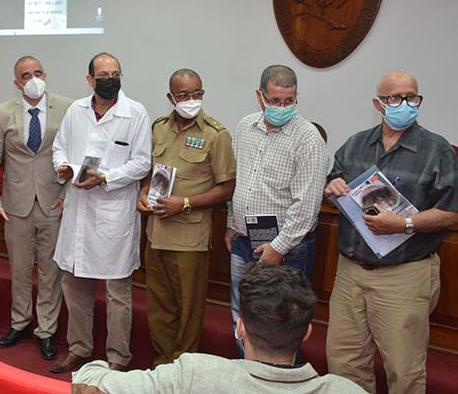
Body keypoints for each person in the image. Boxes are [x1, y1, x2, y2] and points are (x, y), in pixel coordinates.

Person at [324, 71, 458, 394]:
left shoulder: (435, 149)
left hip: (403, 275)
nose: (405, 104)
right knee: (344, 363)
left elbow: (452, 211)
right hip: (351, 272)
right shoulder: (356, 144)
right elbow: (332, 184)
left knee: (404, 370)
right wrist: (331, 187)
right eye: (395, 98)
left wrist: (405, 224)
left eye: (412, 97)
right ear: (378, 104)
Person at [71, 264, 366, 394]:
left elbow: (94, 382)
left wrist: (94, 365)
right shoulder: (346, 391)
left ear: (240, 328)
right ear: (307, 333)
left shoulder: (196, 374)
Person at [50, 52, 151, 373]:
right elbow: (59, 148)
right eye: (104, 75)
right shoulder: (76, 110)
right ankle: (79, 348)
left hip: (114, 214)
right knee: (75, 285)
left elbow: (142, 162)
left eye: (116, 74)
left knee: (117, 294)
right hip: (78, 208)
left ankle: (117, 358)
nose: (111, 80)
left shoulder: (135, 113)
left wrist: (106, 178)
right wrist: (63, 168)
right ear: (90, 80)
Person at [224, 65, 327, 357]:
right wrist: (232, 222)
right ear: (260, 96)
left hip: (287, 249)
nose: (282, 107)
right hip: (244, 241)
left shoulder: (308, 138)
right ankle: (249, 378)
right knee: (240, 314)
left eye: (289, 101)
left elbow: (306, 207)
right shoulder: (245, 126)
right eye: (275, 101)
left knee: (281, 325)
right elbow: (240, 179)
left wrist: (278, 248)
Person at [136, 69, 236, 366]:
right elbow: (150, 174)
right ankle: (163, 364)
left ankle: (183, 370)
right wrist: (143, 193)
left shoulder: (215, 134)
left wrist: (187, 203)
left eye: (197, 94)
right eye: (183, 95)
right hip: (157, 233)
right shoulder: (159, 128)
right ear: (171, 97)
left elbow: (227, 188)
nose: (191, 100)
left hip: (189, 238)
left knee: (188, 311)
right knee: (159, 308)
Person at [0, 56, 73, 360]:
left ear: (45, 75)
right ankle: (19, 322)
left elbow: (80, 153)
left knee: (51, 271)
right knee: (19, 270)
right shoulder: (3, 112)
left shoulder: (68, 107)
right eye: (25, 75)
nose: (32, 79)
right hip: (15, 205)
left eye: (37, 73)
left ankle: (46, 330)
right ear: (16, 82)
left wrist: (70, 195)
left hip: (54, 202)